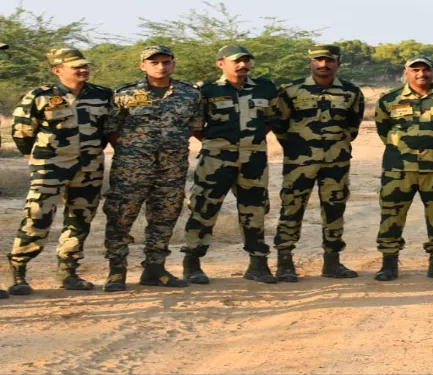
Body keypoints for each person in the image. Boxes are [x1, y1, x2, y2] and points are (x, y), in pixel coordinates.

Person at [8, 48, 113, 294]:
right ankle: (18, 272)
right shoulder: (40, 96)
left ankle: (68, 272)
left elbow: (109, 129)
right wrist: (39, 158)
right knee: (37, 216)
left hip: (89, 167)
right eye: (76, 66)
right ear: (58, 70)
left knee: (80, 219)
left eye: (85, 65)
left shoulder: (103, 95)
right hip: (50, 167)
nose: (83, 70)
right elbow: (22, 133)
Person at [102, 45, 202, 292]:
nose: (161, 67)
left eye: (165, 62)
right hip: (130, 170)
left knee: (164, 218)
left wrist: (167, 149)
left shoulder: (190, 94)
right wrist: (135, 152)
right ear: (142, 65)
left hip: (172, 169)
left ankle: (155, 269)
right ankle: (116, 271)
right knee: (120, 218)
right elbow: (112, 130)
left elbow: (194, 127)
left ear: (173, 64)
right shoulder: (124, 93)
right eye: (154, 62)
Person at [180, 45, 280, 285]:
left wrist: (249, 141)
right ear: (221, 63)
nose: (242, 65)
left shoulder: (265, 88)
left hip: (254, 160)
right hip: (215, 160)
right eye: (236, 61)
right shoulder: (206, 91)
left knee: (255, 210)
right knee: (204, 208)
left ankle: (258, 264)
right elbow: (196, 127)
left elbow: (272, 120)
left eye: (246, 60)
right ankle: (192, 262)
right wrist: (219, 143)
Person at [272, 44, 364, 281]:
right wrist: (297, 147)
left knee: (335, 208)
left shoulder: (351, 92)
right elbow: (280, 125)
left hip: (336, 162)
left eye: (329, 60)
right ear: (310, 63)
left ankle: (332, 262)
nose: (324, 65)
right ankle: (285, 262)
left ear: (338, 63)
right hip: (300, 162)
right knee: (292, 207)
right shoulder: (291, 91)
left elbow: (353, 126)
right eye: (318, 60)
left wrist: (335, 146)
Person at [373, 56, 433, 281]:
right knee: (392, 215)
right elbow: (383, 130)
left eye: (426, 69)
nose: (421, 74)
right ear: (406, 73)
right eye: (415, 69)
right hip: (398, 169)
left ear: (432, 72)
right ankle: (389, 264)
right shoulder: (389, 99)